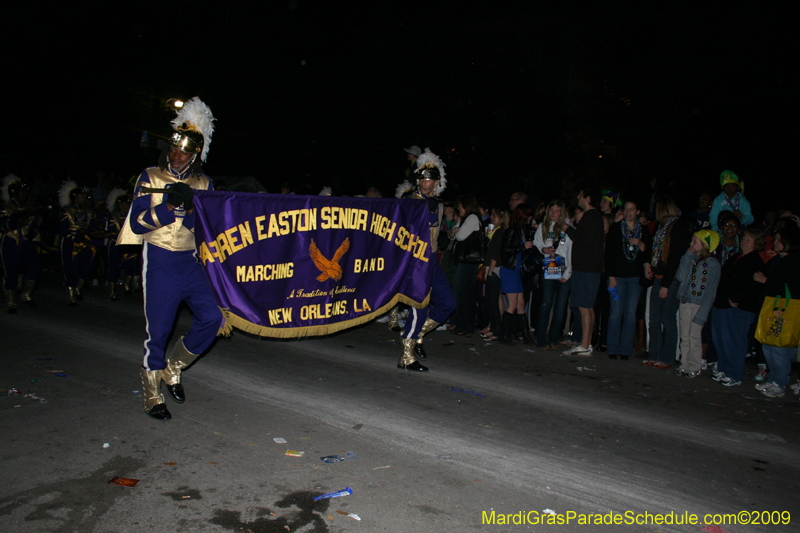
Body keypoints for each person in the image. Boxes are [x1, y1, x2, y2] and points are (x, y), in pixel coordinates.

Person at [116, 97, 223, 420]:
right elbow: (136, 223)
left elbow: (207, 229)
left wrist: (191, 209)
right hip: (160, 260)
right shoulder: (150, 176)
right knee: (159, 330)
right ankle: (151, 393)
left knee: (212, 318)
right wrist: (168, 208)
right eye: (174, 149)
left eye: (184, 152)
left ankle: (173, 368)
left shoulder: (204, 183)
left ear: (195, 155)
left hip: (190, 262)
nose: (177, 156)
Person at [397, 148, 456, 371]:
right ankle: (406, 356)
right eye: (422, 178)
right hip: (416, 261)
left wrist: (444, 237)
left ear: (436, 181)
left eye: (429, 179)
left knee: (448, 303)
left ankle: (418, 334)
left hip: (432, 260)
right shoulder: (411, 201)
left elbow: (436, 232)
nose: (424, 182)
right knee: (419, 308)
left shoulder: (439, 205)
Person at [710, 228, 767, 386]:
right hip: (722, 305)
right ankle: (723, 368)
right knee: (720, 339)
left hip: (738, 309)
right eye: (744, 239)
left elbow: (753, 287)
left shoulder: (755, 261)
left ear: (756, 243)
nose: (744, 242)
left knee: (734, 342)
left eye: (749, 240)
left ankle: (734, 374)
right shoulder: (736, 257)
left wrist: (736, 299)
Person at [643, 196, 694, 369]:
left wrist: (666, 283)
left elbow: (674, 257)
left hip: (669, 280)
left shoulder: (678, 226)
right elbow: (653, 249)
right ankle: (654, 354)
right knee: (654, 319)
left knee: (668, 318)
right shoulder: (661, 227)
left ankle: (668, 358)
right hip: (658, 276)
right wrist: (648, 264)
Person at [755, 223, 800, 398]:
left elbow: (788, 287)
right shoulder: (778, 260)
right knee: (769, 344)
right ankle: (774, 379)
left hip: (784, 311)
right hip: (772, 308)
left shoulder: (794, 261)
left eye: (779, 240)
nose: (775, 242)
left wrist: (767, 282)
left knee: (779, 348)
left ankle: (780, 383)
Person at [605, 200, 651, 360]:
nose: (629, 212)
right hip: (617, 276)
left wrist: (641, 244)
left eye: (632, 209)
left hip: (635, 278)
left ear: (637, 212)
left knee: (630, 314)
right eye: (626, 210)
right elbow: (609, 254)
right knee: (615, 313)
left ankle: (625, 349)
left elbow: (649, 252)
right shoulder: (616, 228)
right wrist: (611, 276)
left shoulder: (643, 230)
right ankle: (612, 348)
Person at [562, 187, 605, 357]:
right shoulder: (594, 217)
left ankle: (585, 345)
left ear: (587, 198)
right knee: (587, 306)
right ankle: (586, 343)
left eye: (580, 195)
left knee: (584, 306)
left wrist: (568, 229)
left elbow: (583, 240)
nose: (578, 198)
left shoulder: (591, 216)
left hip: (586, 269)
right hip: (589, 268)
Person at [673, 230, 721, 377]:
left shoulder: (713, 264)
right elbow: (680, 276)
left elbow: (710, 292)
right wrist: (687, 257)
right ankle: (684, 364)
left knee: (694, 336)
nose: (691, 244)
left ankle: (694, 366)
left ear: (705, 244)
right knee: (684, 336)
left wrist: (703, 313)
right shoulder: (692, 259)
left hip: (698, 305)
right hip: (685, 301)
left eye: (695, 242)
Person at [533, 199, 572, 349]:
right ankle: (542, 338)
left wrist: (568, 272)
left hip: (565, 268)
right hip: (549, 266)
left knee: (560, 306)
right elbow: (537, 244)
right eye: (551, 210)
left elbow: (571, 250)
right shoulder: (543, 226)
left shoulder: (567, 226)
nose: (554, 213)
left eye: (557, 211)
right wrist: (544, 250)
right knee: (546, 302)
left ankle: (554, 338)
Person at [1, 174, 41, 312]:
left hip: (26, 242)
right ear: (14, 193)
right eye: (22, 192)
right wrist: (15, 222)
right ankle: (11, 302)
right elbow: (2, 225)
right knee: (11, 271)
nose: (24, 194)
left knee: (34, 266)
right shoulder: (5, 207)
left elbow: (34, 225)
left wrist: (33, 232)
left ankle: (27, 295)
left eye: (25, 192)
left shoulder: (29, 208)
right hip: (11, 241)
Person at [497, 204, 535, 344]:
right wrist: (522, 247)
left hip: (515, 271)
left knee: (520, 304)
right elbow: (505, 250)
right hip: (509, 270)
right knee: (512, 304)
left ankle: (525, 336)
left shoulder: (520, 230)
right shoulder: (512, 230)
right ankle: (503, 335)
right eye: (529, 216)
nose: (530, 219)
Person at [448, 194, 484, 335]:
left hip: (469, 262)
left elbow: (459, 236)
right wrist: (455, 231)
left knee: (463, 294)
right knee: (464, 294)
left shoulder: (472, 218)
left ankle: (465, 326)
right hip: (464, 261)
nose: (458, 209)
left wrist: (455, 232)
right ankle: (463, 325)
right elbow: (451, 234)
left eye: (460, 206)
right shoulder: (465, 219)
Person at [59, 181, 96, 306]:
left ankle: (78, 288)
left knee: (86, 267)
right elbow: (63, 229)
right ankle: (70, 296)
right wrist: (74, 236)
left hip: (85, 243)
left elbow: (92, 227)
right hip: (71, 243)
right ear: (74, 198)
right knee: (70, 268)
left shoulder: (88, 211)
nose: (83, 199)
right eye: (81, 197)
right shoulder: (66, 210)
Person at [483, 206, 509, 343]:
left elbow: (495, 253)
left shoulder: (500, 232)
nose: (491, 217)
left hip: (494, 268)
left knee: (491, 301)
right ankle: (494, 328)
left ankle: (497, 330)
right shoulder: (498, 231)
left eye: (494, 215)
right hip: (495, 268)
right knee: (496, 300)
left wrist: (491, 271)